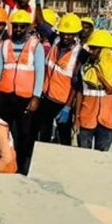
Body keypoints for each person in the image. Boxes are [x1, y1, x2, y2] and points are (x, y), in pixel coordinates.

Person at [0, 10, 45, 175]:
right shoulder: (4, 46)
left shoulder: (36, 47)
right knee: (4, 132)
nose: (18, 29)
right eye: (16, 26)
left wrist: (36, 97)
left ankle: (22, 167)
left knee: (24, 134)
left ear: (28, 28)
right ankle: (5, 163)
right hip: (4, 97)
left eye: (22, 26)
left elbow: (40, 72)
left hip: (25, 98)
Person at [34, 13, 83, 146]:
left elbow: (76, 83)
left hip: (63, 102)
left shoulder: (79, 53)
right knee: (43, 134)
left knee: (64, 137)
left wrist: (67, 106)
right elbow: (41, 24)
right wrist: (38, 2)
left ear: (76, 34)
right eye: (63, 33)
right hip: (46, 98)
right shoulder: (55, 41)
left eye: (70, 34)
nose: (66, 36)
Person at [74, 30, 112, 151]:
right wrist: (77, 118)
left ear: (104, 50)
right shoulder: (86, 69)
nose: (91, 51)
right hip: (86, 119)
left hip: (107, 122)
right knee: (83, 155)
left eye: (94, 49)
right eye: (90, 48)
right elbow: (80, 92)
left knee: (101, 157)